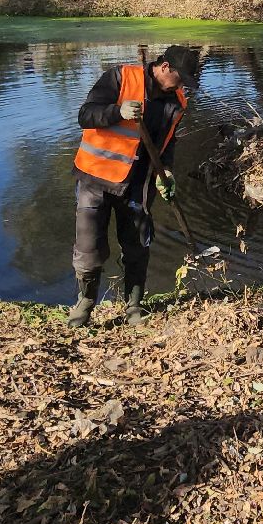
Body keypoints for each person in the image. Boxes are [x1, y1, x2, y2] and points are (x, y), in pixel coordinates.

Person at [69, 44, 201, 327]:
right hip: (96, 178)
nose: (182, 86)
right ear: (165, 68)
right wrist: (118, 112)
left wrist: (166, 169)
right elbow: (86, 115)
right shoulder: (120, 78)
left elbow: (168, 142)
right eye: (180, 79)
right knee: (89, 247)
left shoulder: (177, 102)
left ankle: (133, 307)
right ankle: (86, 302)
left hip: (138, 185)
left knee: (138, 246)